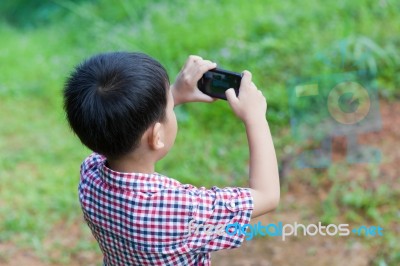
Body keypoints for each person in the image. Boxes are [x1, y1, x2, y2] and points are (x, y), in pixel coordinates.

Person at [63, 52, 280, 266]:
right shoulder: (182, 209)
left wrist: (175, 93)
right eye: (169, 107)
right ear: (157, 136)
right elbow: (267, 195)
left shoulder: (89, 175)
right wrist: (255, 118)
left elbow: (114, 129)